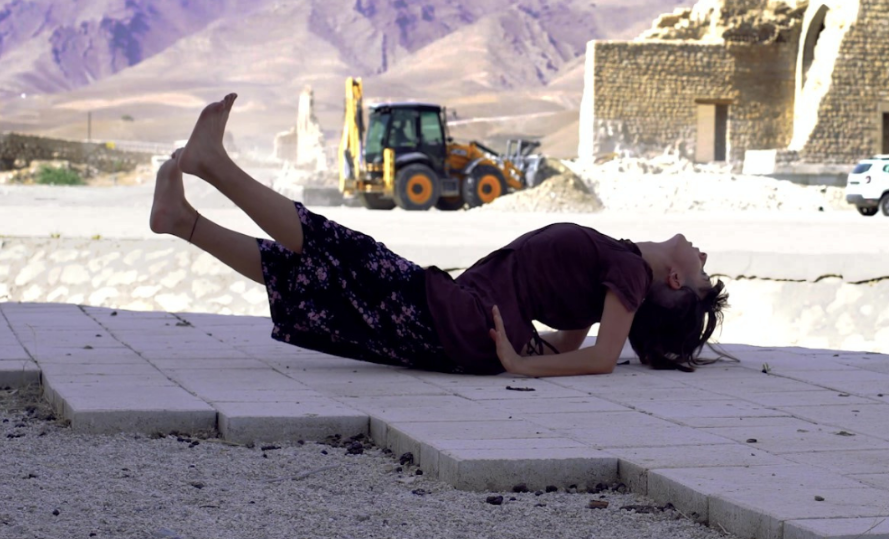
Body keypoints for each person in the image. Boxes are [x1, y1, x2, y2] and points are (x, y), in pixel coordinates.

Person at [149, 94, 730, 376]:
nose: (703, 253)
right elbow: (576, 344)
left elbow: (602, 358)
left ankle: (213, 165)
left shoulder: (629, 273)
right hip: (459, 323)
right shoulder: (615, 273)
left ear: (674, 279)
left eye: (702, 269)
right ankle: (184, 222)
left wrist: (519, 364)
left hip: (459, 319)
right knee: (313, 273)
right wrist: (521, 351)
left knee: (334, 245)